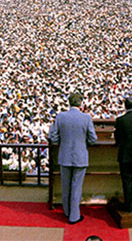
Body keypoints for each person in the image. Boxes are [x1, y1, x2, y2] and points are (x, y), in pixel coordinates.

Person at [48, 92, 97, 224]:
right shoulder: (86, 118)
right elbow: (93, 139)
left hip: (64, 155)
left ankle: (67, 211)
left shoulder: (60, 116)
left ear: (69, 102)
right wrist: (83, 142)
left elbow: (53, 136)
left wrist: (62, 142)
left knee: (65, 185)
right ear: (81, 103)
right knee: (76, 187)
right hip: (80, 155)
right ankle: (74, 216)